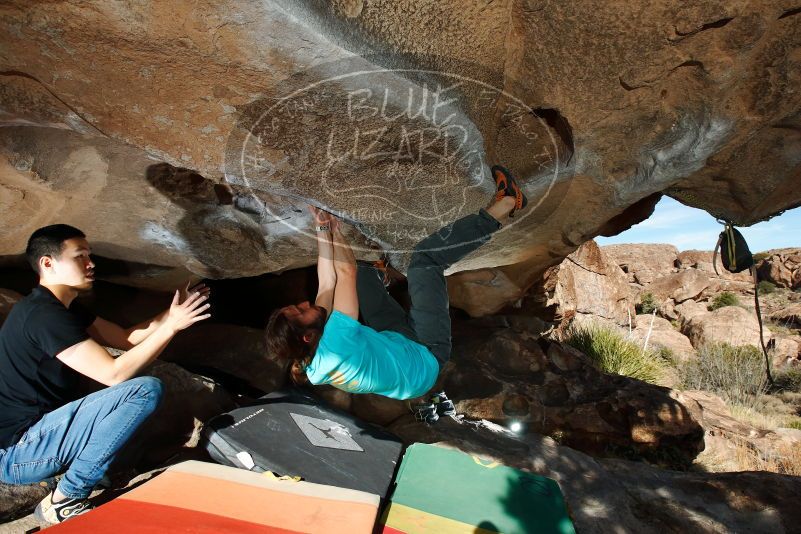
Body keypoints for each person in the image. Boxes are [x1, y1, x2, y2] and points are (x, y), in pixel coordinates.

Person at [265, 165, 526, 422]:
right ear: (308, 336)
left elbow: (327, 282)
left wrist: (321, 227)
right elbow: (344, 273)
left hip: (395, 347)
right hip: (426, 356)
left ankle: (378, 273)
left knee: (364, 280)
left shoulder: (310, 355)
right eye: (301, 311)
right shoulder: (335, 343)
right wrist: (336, 230)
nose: (302, 303)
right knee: (424, 260)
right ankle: (505, 206)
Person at [0, 224, 211, 524]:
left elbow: (125, 338)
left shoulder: (60, 308)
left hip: (38, 438)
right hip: (19, 452)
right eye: (80, 256)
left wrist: (172, 312)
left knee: (128, 392)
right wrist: (172, 327)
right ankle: (65, 499)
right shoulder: (44, 316)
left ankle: (89, 473)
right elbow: (114, 374)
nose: (91, 263)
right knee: (143, 390)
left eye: (90, 254)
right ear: (48, 263)